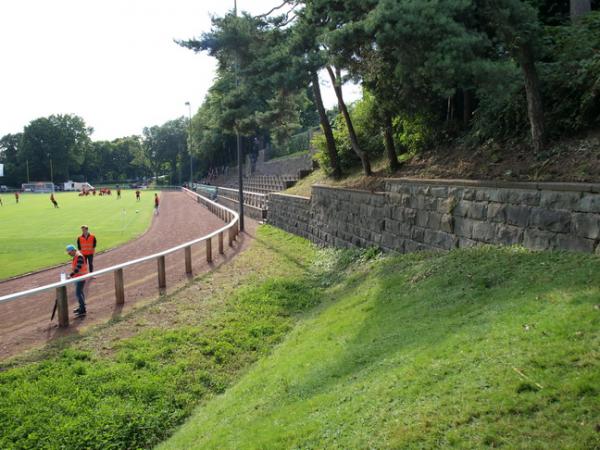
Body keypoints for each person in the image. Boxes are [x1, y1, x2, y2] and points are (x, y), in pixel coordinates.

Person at [66, 244, 88, 316]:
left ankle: (83, 310)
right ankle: (82, 307)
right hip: (78, 277)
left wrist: (70, 275)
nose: (69, 254)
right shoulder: (76, 255)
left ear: (73, 250)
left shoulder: (79, 256)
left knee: (78, 293)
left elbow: (78, 268)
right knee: (80, 292)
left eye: (69, 253)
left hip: (80, 277)